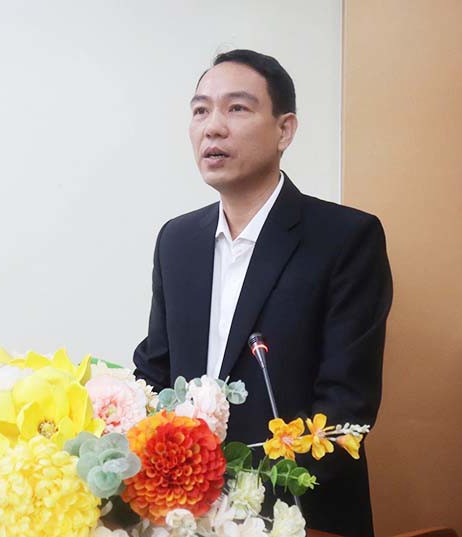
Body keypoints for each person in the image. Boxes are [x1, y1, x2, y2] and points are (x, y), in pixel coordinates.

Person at [133, 49, 392, 537]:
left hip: (298, 515)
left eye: (237, 108)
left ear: (284, 130)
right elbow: (155, 372)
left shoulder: (346, 238)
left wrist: (245, 506)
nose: (213, 127)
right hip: (185, 516)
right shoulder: (177, 240)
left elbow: (346, 408)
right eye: (200, 110)